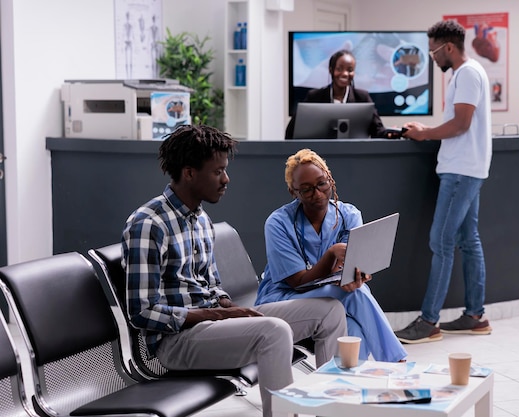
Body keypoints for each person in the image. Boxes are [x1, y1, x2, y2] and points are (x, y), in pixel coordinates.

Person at [121, 125, 347, 417]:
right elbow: (142, 312)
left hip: (214, 327)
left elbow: (212, 287)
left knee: (329, 311)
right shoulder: (148, 225)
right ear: (189, 173)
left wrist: (230, 308)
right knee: (274, 331)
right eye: (218, 172)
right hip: (177, 342)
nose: (226, 179)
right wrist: (221, 314)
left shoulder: (200, 219)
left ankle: (331, 412)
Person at [255, 148, 407, 363]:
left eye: (321, 184)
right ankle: (397, 364)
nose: (317, 193)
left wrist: (355, 276)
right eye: (306, 189)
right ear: (293, 192)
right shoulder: (278, 223)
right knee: (356, 294)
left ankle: (348, 387)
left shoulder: (348, 215)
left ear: (330, 180)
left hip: (329, 298)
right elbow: (297, 282)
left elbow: (347, 269)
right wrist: (330, 256)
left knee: (353, 328)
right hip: (282, 299)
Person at [394, 20, 493, 344]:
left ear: (448, 47)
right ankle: (475, 316)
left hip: (461, 171)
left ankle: (428, 320)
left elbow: (462, 124)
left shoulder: (466, 73)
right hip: (469, 168)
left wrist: (424, 133)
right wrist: (429, 128)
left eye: (433, 51)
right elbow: (459, 121)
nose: (432, 57)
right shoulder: (468, 73)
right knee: (468, 240)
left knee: (441, 242)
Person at [285, 49, 387, 139]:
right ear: (331, 70)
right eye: (339, 69)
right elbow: (291, 131)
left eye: (350, 70)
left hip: (353, 154)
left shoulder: (362, 97)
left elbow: (378, 130)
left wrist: (391, 133)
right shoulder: (314, 96)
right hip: (320, 155)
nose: (345, 74)